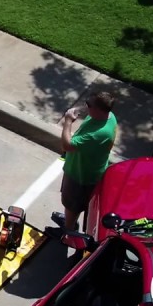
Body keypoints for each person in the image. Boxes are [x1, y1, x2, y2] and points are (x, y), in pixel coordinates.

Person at [53, 91, 117, 234]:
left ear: (99, 109)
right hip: (87, 169)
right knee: (74, 205)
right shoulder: (109, 117)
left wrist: (67, 121)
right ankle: (70, 222)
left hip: (81, 175)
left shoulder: (98, 134)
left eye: (89, 105)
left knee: (72, 205)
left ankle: (68, 231)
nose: (87, 107)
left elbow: (67, 145)